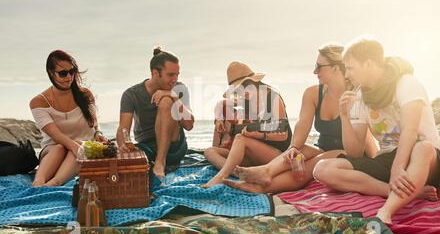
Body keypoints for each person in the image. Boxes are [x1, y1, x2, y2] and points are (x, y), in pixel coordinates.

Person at [312, 37, 440, 224]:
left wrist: (398, 167)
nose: (346, 75)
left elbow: (410, 129)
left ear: (368, 64)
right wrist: (344, 115)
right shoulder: (360, 96)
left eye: (350, 68)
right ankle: (405, 192)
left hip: (428, 161)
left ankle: (386, 211)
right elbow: (354, 152)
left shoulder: (406, 83)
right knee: (322, 169)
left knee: (422, 147)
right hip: (389, 160)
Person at [224, 44, 377, 193]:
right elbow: (302, 125)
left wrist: (376, 164)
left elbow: (366, 139)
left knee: (317, 160)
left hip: (348, 155)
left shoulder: (355, 96)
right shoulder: (313, 94)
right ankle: (266, 172)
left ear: (336, 68)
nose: (314, 71)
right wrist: (293, 149)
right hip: (322, 148)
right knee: (300, 152)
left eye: (319, 66)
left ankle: (264, 186)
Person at [203, 61, 293, 188]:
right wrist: (218, 119)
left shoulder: (272, 97)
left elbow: (284, 135)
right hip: (255, 155)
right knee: (210, 151)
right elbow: (222, 103)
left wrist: (259, 136)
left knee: (241, 139)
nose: (241, 91)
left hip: (278, 156)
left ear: (253, 82)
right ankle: (240, 174)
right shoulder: (246, 100)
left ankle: (221, 176)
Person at [30, 50, 106, 187]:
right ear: (51, 73)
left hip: (81, 151)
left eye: (72, 72)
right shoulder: (38, 102)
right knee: (60, 147)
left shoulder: (85, 95)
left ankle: (53, 184)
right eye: (63, 73)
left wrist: (98, 134)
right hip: (53, 152)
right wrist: (76, 147)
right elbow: (56, 135)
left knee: (79, 147)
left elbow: (95, 124)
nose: (69, 77)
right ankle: (38, 183)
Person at [117, 47, 194, 180]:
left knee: (166, 101)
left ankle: (160, 162)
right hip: (147, 148)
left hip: (174, 148)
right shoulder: (131, 94)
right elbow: (123, 129)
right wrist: (122, 145)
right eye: (170, 75)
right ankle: (155, 161)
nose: (175, 79)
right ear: (155, 73)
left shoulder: (179, 88)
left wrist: (173, 97)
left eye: (177, 74)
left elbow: (189, 125)